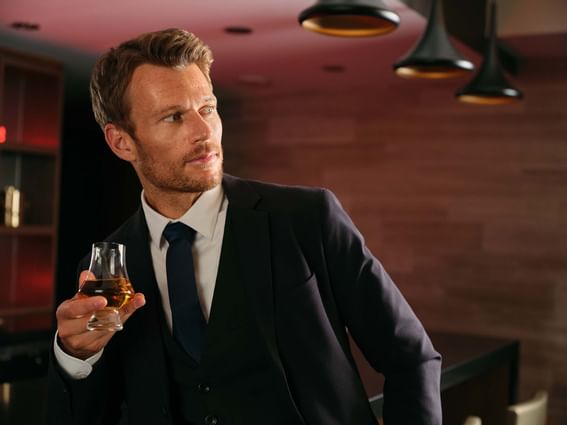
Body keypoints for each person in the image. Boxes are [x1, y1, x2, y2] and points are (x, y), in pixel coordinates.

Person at [48, 28, 442, 425]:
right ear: (121, 142)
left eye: (208, 108)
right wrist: (77, 356)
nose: (204, 133)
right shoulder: (108, 269)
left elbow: (411, 358)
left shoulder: (307, 218)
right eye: (174, 117)